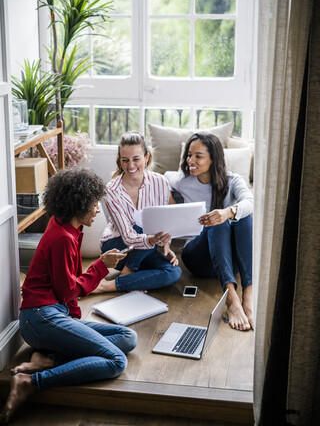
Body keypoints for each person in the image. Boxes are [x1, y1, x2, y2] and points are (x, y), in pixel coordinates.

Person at [0, 167, 137, 424]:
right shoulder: (62, 238)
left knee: (128, 337)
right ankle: (31, 381)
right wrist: (101, 265)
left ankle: (49, 359)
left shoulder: (68, 228)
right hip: (39, 318)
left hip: (52, 315)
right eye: (95, 204)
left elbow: (67, 290)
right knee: (117, 361)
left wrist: (73, 321)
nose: (98, 209)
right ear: (79, 204)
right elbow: (68, 290)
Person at [165, 132, 254, 331]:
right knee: (216, 222)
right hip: (198, 258)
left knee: (242, 215)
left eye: (198, 156)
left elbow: (251, 202)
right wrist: (171, 201)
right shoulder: (183, 180)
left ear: (213, 159)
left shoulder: (232, 180)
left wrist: (227, 212)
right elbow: (164, 178)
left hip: (231, 262)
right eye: (189, 155)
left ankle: (248, 294)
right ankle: (231, 298)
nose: (191, 161)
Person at [95, 131, 182, 294]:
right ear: (119, 160)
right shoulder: (112, 190)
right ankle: (129, 271)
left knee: (174, 272)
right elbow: (128, 236)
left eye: (136, 159)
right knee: (147, 228)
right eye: (125, 160)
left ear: (146, 157)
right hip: (118, 247)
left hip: (146, 246)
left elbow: (164, 222)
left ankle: (109, 285)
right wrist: (153, 240)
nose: (130, 166)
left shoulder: (161, 182)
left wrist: (166, 245)